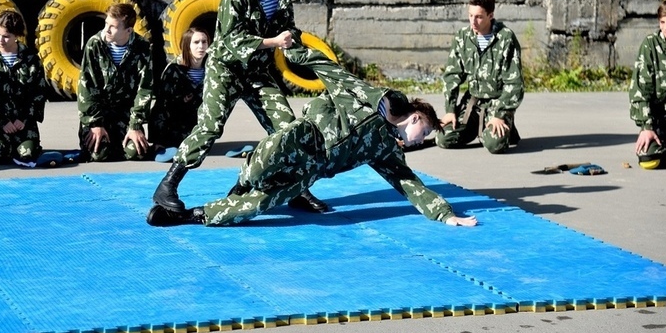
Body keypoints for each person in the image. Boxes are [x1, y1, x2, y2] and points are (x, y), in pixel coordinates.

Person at [146, 52, 477, 227]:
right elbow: (331, 70)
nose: (422, 140)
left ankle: (187, 217)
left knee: (259, 205)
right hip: (301, 140)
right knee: (259, 169)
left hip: (309, 171)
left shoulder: (386, 149)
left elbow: (409, 184)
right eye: (426, 132)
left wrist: (444, 214)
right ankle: (244, 179)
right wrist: (296, 51)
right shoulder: (367, 100)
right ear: (417, 117)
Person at [151, 0, 328, 214]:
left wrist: (294, 44)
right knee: (210, 128)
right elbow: (234, 41)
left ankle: (297, 189)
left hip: (257, 72)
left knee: (286, 127)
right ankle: (167, 187)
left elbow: (289, 29)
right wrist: (272, 42)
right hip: (226, 70)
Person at [435, 0, 524, 154]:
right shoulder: (462, 37)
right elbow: (452, 76)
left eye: (479, 17)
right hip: (473, 103)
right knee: (443, 139)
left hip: (497, 103)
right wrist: (450, 110)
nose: (473, 22)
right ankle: (477, 128)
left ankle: (505, 127)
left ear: (490, 15)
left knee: (493, 145)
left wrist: (500, 113)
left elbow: (514, 83)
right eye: (470, 16)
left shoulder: (505, 38)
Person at [77, 3, 153, 162]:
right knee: (99, 154)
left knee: (136, 153)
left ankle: (120, 143)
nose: (107, 30)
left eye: (113, 26)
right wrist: (95, 123)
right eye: (106, 24)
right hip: (100, 114)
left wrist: (135, 126)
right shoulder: (94, 45)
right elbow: (86, 87)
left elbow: (144, 90)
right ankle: (109, 143)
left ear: (128, 31)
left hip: (126, 114)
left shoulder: (142, 48)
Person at [0, 10, 47, 163]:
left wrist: (24, 118)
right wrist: (2, 121)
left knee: (28, 154)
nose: (0, 40)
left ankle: (23, 145)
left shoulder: (30, 59)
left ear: (17, 36)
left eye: (6, 36)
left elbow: (38, 93)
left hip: (23, 124)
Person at [629, 0, 666, 169]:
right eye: (662, 22)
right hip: (661, 118)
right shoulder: (651, 45)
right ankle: (660, 146)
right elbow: (641, 90)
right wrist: (646, 127)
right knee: (649, 160)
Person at [149, 27, 209, 158]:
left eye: (204, 42)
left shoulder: (212, 69)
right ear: (187, 46)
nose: (201, 46)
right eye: (196, 42)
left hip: (196, 125)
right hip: (173, 124)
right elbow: (161, 105)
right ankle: (161, 144)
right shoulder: (174, 70)